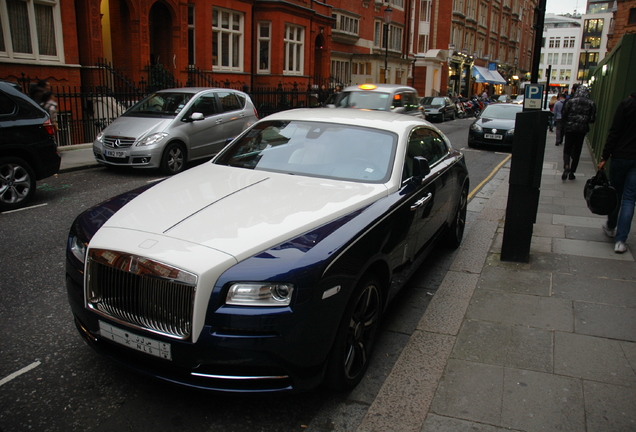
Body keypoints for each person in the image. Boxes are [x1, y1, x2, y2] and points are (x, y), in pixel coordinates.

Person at [597, 91, 636, 254]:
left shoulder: (626, 104)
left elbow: (615, 132)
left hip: (621, 156)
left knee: (616, 193)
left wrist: (605, 156)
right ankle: (620, 241)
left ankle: (611, 226)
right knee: (629, 199)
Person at [561, 85, 596, 180]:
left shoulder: (570, 101)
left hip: (569, 128)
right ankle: (572, 172)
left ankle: (566, 165)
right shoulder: (591, 103)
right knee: (577, 150)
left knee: (567, 148)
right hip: (581, 130)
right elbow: (592, 119)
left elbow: (564, 114)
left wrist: (566, 123)